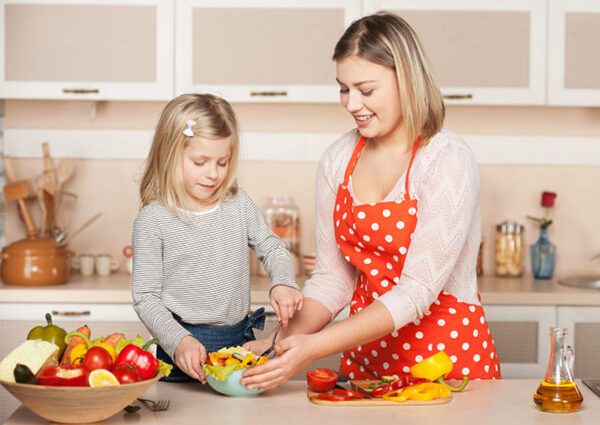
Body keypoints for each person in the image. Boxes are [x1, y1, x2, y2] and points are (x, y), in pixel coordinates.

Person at [242, 12, 500, 390]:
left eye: (366, 89)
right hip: (369, 367)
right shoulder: (337, 159)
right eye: (343, 88)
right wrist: (276, 345)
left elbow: (417, 291)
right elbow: (333, 279)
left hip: (449, 366)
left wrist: (313, 347)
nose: (350, 103)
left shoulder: (446, 159)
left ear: (407, 81)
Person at [131, 93, 303, 383]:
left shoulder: (237, 204)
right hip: (178, 353)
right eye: (200, 162)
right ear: (170, 154)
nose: (213, 174)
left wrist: (284, 282)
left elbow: (272, 248)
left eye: (222, 163)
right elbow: (146, 298)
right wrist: (179, 341)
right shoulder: (153, 219)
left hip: (237, 348)